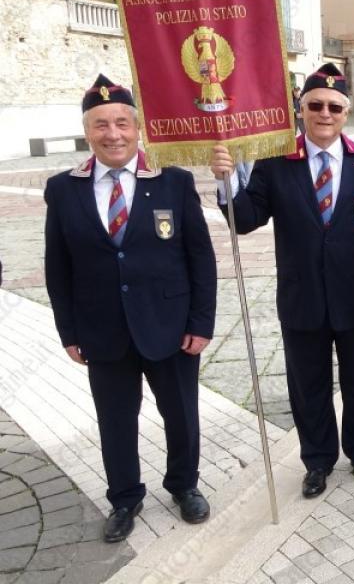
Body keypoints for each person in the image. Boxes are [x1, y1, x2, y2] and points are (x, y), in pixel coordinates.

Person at [44, 75, 216, 542]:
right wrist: (69, 332)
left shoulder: (173, 182)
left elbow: (200, 256)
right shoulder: (63, 189)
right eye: (101, 124)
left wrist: (201, 322)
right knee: (115, 419)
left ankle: (184, 485)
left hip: (171, 325)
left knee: (181, 413)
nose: (113, 133)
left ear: (138, 129)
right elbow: (57, 267)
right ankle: (124, 498)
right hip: (102, 330)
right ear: (88, 132)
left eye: (122, 122)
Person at [209, 64, 354, 498]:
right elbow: (246, 219)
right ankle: (318, 460)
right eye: (315, 105)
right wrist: (226, 179)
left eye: (334, 107)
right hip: (302, 297)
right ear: (300, 110)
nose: (324, 113)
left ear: (346, 113)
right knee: (308, 385)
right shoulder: (277, 163)